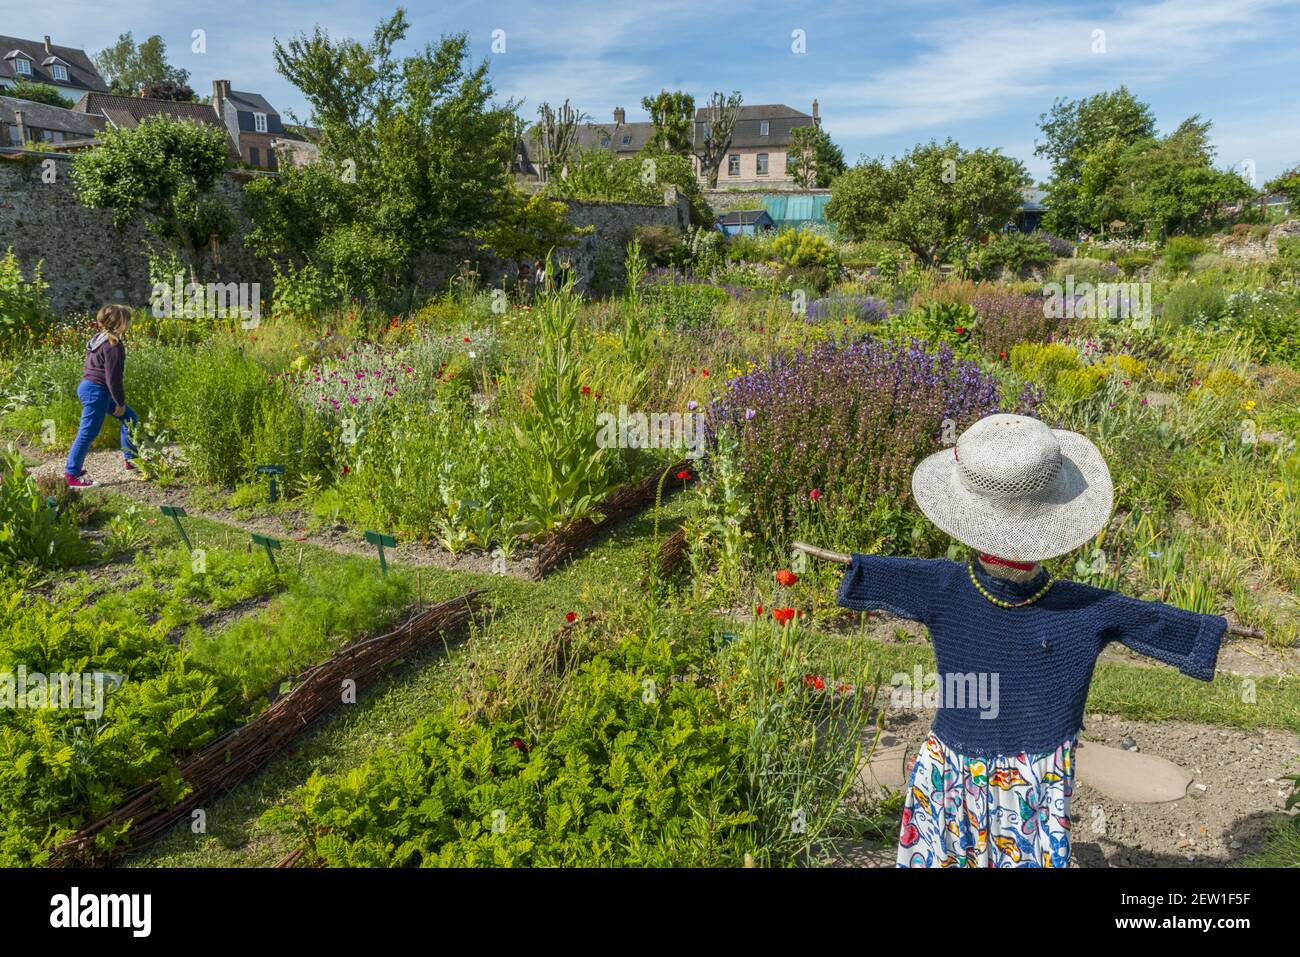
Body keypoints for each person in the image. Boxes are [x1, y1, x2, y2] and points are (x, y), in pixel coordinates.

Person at [834, 413, 1227, 868]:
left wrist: (855, 565)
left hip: (979, 774)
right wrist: (1209, 631)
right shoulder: (1069, 603)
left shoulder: (953, 586)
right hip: (1004, 775)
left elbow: (1152, 622)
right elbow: (1152, 620)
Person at [65, 304, 140, 489]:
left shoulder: (99, 339)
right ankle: (72, 475)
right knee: (88, 432)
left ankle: (131, 460)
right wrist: (119, 402)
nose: (129, 323)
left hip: (92, 388)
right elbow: (113, 378)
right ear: (120, 323)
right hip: (96, 391)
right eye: (127, 320)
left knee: (130, 417)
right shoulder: (113, 345)